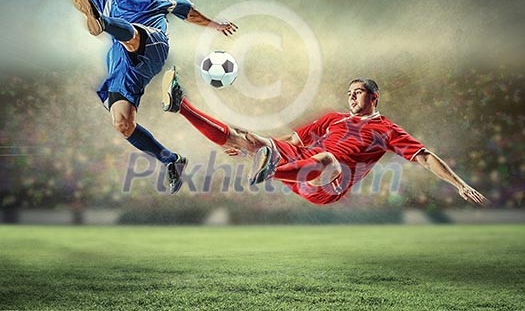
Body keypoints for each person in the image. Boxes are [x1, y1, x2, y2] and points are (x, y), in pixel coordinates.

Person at [30, 0, 237, 194]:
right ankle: (170, 160)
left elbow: (190, 13)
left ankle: (101, 23)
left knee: (133, 34)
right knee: (122, 123)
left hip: (151, 44)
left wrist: (216, 25)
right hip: (122, 63)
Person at [161, 67, 488, 205]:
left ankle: (269, 169)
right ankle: (182, 105)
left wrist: (460, 184)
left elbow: (426, 157)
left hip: (329, 182)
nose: (352, 97)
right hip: (302, 163)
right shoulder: (333, 119)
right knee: (244, 136)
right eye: (349, 92)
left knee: (329, 158)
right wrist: (258, 144)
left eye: (359, 92)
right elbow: (292, 140)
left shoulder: (386, 129)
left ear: (374, 98)